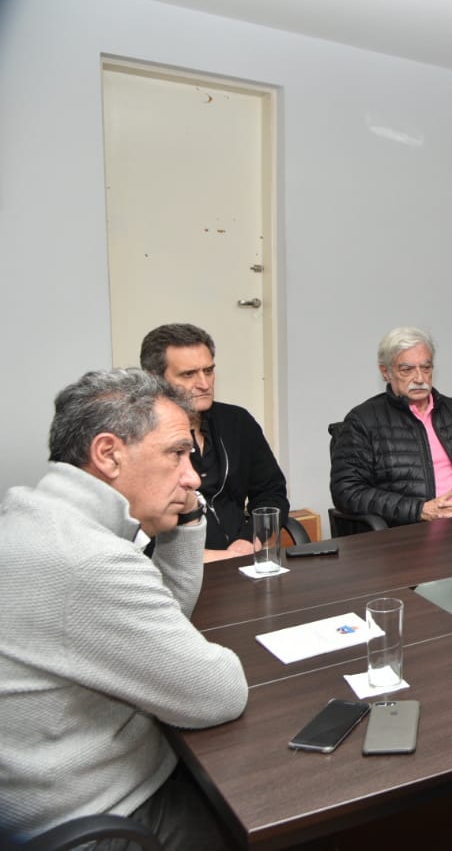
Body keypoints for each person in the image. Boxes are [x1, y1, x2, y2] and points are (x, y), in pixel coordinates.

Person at [0, 369, 248, 847]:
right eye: (177, 453)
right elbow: (219, 693)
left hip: (47, 796)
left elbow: (162, 618)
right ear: (108, 454)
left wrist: (188, 512)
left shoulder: (36, 515)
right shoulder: (84, 559)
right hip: (100, 820)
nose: (193, 475)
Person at [140, 323, 289, 562]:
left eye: (208, 371)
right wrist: (218, 558)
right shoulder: (138, 437)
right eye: (188, 374)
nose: (204, 384)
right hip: (175, 569)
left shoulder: (236, 422)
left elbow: (271, 492)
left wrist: (251, 538)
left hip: (244, 558)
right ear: (154, 379)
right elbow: (137, 533)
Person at [330, 326, 452, 526]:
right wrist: (419, 510)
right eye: (407, 370)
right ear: (385, 371)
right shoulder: (363, 421)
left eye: (426, 368)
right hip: (408, 533)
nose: (420, 379)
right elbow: (347, 491)